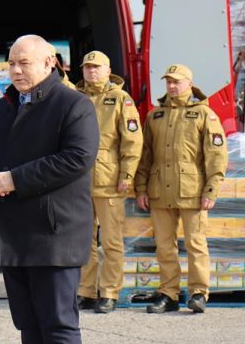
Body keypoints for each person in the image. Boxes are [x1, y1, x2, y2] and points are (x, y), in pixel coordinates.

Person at [0, 34, 99, 344]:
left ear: (48, 63)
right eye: (11, 63)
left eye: (23, 62)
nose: (15, 70)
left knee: (57, 325)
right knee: (28, 324)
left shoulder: (74, 105)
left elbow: (77, 158)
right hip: (13, 232)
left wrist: (13, 179)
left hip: (53, 233)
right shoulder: (0, 108)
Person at [134, 64, 227, 314]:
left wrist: (211, 190)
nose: (172, 86)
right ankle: (168, 294)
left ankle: (198, 293)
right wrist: (141, 188)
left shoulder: (204, 114)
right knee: (164, 245)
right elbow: (145, 156)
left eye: (177, 81)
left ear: (189, 83)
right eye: (168, 82)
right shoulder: (155, 116)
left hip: (192, 191)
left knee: (196, 243)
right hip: (159, 190)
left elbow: (216, 155)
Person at [75, 51, 142, 313]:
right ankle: (86, 290)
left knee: (111, 240)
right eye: (87, 67)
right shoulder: (76, 98)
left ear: (108, 69)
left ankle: (110, 292)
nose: (92, 71)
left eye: (96, 67)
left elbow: (132, 141)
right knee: (83, 240)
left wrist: (127, 175)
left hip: (109, 180)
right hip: (79, 180)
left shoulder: (120, 99)